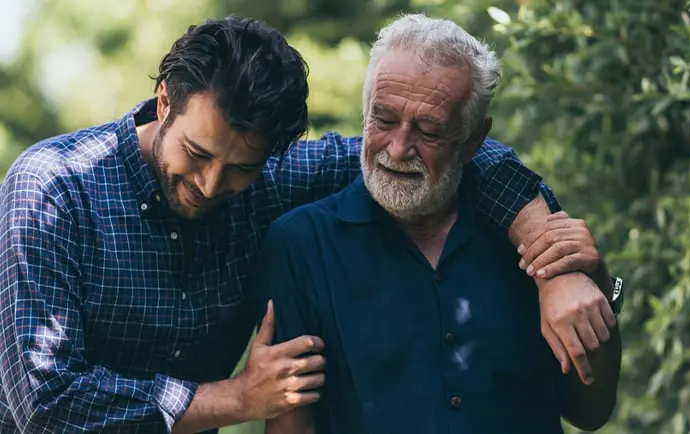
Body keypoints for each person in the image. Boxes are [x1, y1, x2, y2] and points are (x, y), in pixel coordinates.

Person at [0, 15, 614, 434]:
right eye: (197, 153)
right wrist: (238, 398)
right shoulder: (52, 187)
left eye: (239, 168)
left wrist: (553, 257)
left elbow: (442, 155)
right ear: (165, 101)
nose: (211, 186)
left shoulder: (275, 178)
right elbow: (44, 400)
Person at [263, 14, 622, 434]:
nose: (398, 149)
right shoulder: (300, 244)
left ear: (473, 139)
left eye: (428, 131)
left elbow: (590, 413)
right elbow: (292, 424)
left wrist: (595, 281)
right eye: (383, 119)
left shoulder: (532, 235)